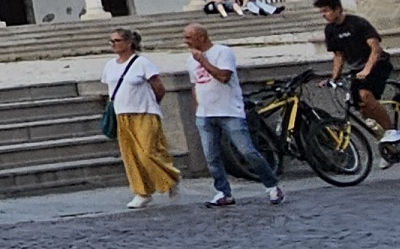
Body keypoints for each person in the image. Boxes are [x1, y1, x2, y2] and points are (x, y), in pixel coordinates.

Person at [182, 23, 284, 206]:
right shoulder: (190, 60)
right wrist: (197, 108)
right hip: (205, 114)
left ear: (201, 37)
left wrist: (203, 62)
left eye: (189, 37)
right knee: (212, 157)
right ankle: (223, 192)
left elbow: (224, 76)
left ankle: (272, 185)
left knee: (247, 151)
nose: (185, 41)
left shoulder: (222, 52)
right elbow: (195, 85)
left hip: (229, 111)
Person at [105, 28, 180, 208]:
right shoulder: (110, 65)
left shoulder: (142, 63)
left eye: (117, 41)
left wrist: (152, 104)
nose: (113, 44)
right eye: (111, 41)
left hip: (144, 112)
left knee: (147, 151)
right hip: (122, 113)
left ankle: (171, 177)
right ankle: (142, 191)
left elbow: (158, 87)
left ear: (128, 43)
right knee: (130, 156)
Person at [315, 0, 400, 143]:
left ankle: (392, 131)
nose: (324, 15)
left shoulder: (357, 23)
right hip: (358, 70)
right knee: (361, 108)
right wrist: (333, 78)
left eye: (326, 11)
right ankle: (387, 144)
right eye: (321, 12)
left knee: (365, 95)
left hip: (378, 64)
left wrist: (367, 70)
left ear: (338, 9)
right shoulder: (330, 30)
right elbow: (339, 55)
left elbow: (376, 49)